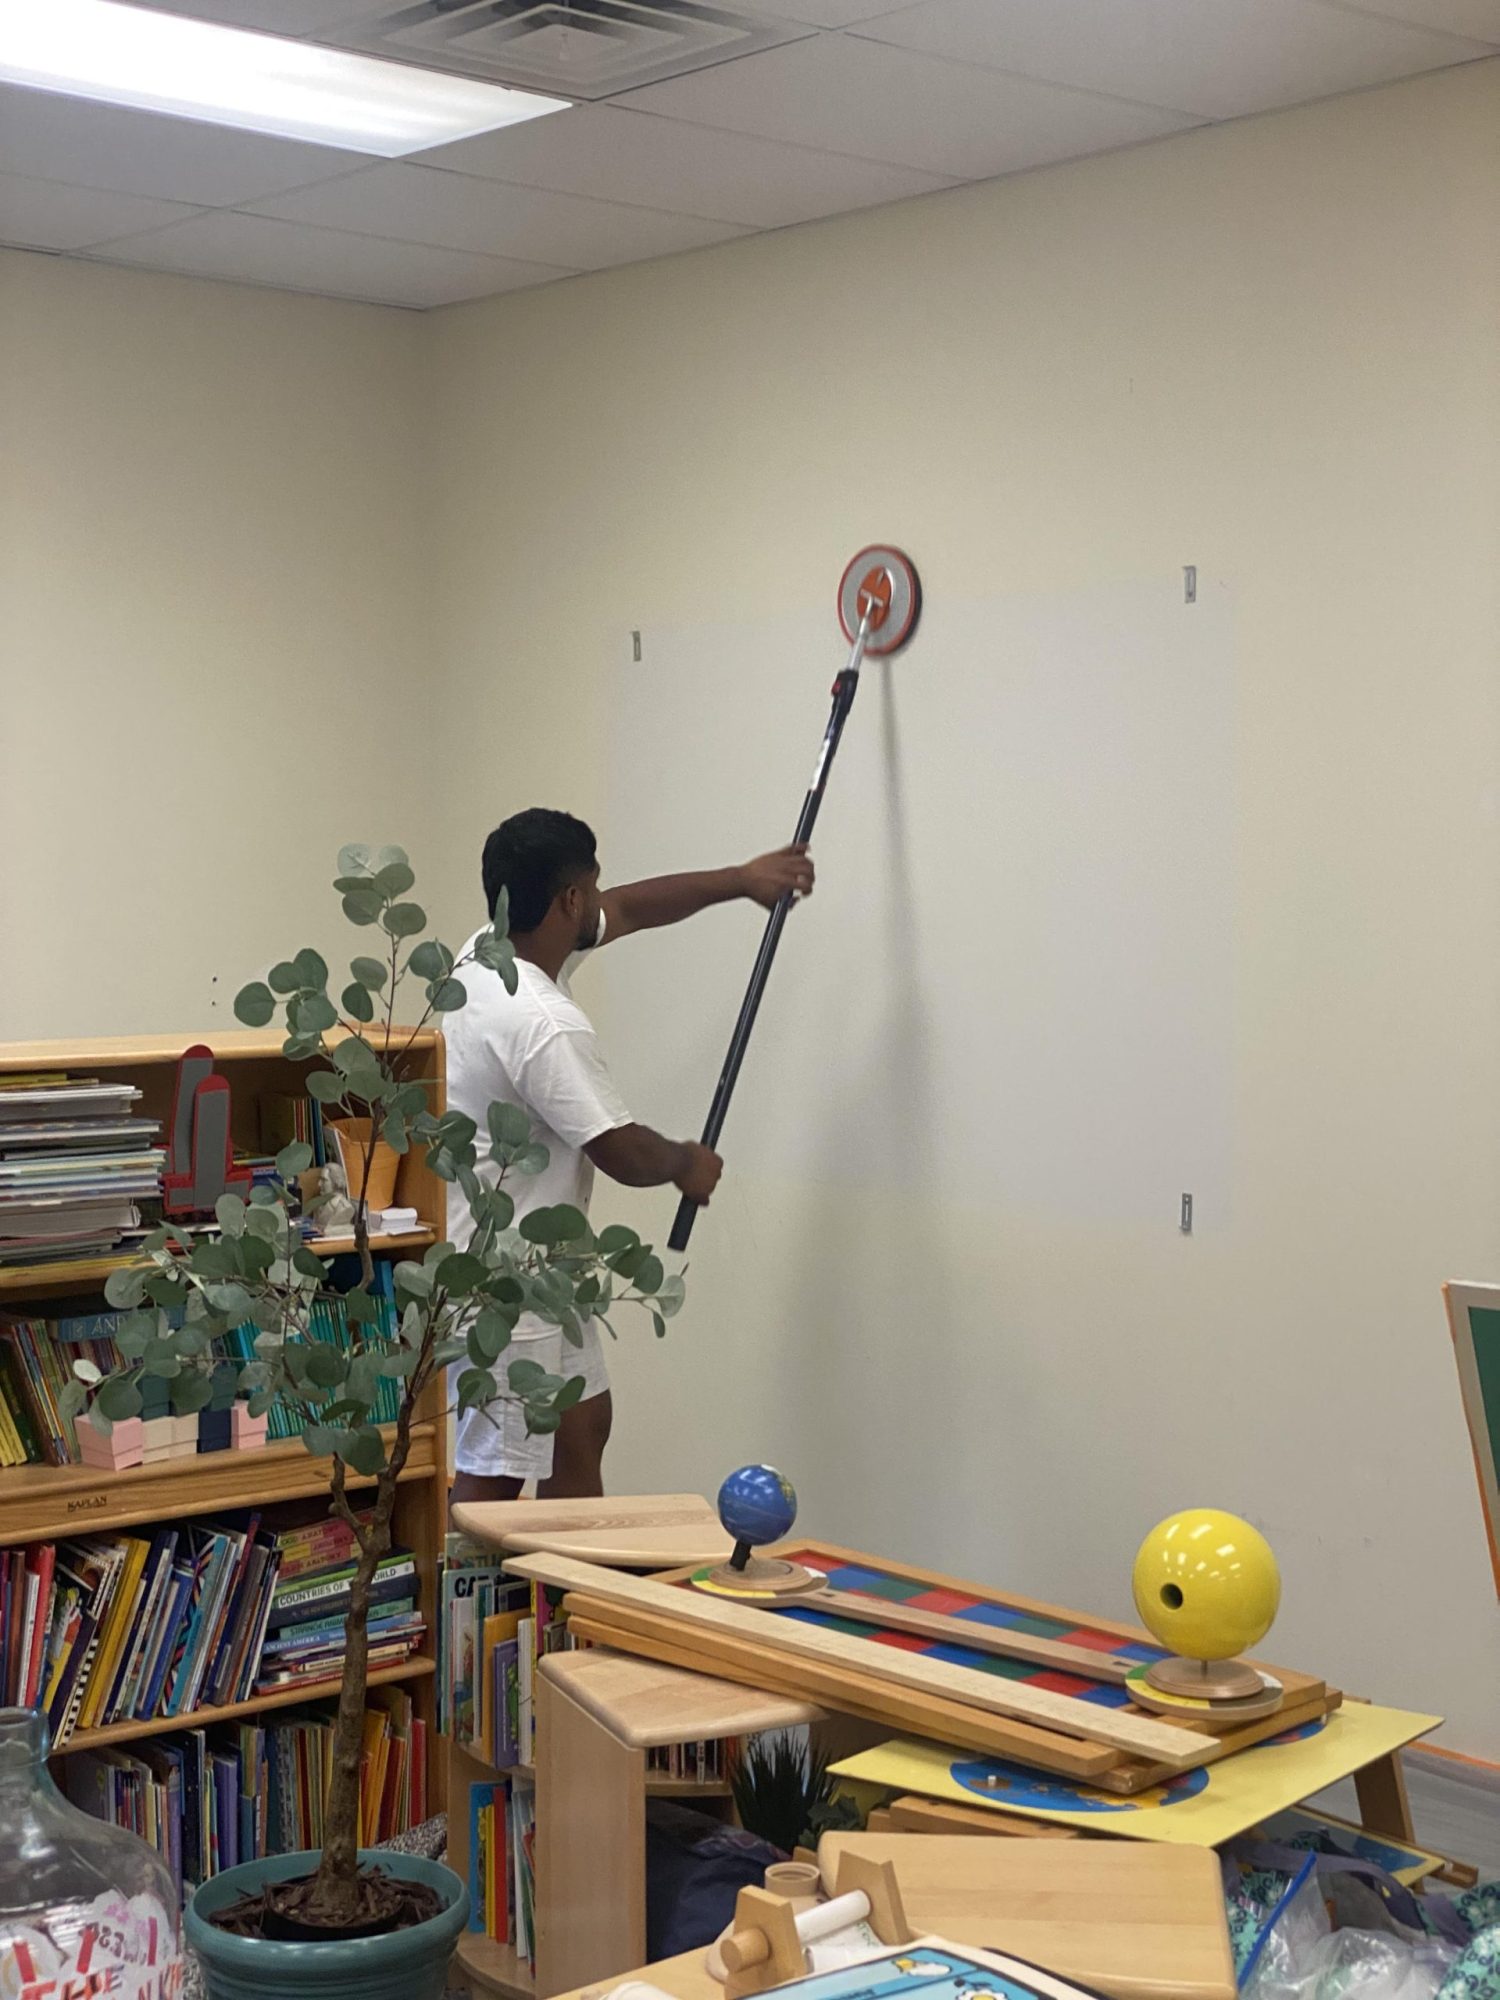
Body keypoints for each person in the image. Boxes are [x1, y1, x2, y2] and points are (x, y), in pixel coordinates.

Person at [446, 807, 814, 1504]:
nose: (599, 899)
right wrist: (685, 1164)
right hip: (504, 1286)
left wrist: (742, 880)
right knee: (494, 1473)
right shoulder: (540, 1022)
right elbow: (619, 1148)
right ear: (567, 900)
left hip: (540, 1271)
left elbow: (630, 909)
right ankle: (456, 1584)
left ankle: (571, 1578)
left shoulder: (483, 954)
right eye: (590, 886)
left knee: (582, 1430)